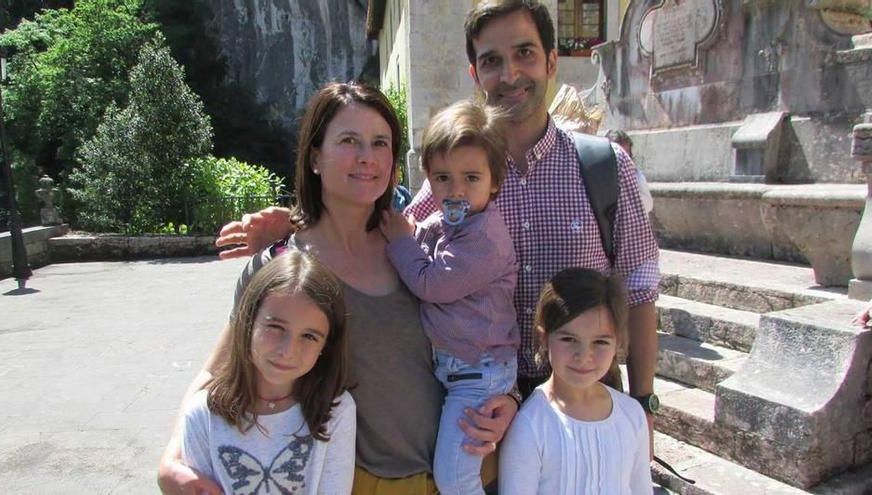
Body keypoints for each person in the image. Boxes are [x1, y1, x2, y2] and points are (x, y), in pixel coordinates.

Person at [218, 0, 658, 447]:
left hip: (583, 396)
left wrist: (643, 406)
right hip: (481, 401)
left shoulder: (606, 168)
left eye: (524, 53)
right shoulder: (451, 182)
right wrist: (297, 225)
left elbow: (640, 293)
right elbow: (384, 231)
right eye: (491, 61)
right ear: (475, 75)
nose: (509, 74)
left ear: (550, 61)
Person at [158, 81, 516, 495]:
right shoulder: (282, 266)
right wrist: (173, 458)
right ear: (315, 156)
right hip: (360, 483)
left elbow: (488, 325)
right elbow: (217, 371)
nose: (367, 157)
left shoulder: (418, 244)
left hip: (470, 468)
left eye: (380, 143)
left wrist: (509, 399)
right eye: (349, 140)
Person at [378, 100, 518, 495]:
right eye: (442, 178)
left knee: (455, 479)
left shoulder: (485, 239)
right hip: (461, 369)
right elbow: (422, 232)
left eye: (471, 178)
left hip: (479, 375)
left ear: (494, 182)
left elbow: (431, 283)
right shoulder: (451, 221)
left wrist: (402, 241)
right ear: (428, 179)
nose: (455, 190)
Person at [181, 250, 355, 494]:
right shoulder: (202, 414)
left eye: (309, 336)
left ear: (326, 345)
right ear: (248, 321)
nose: (288, 350)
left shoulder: (336, 410)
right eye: (275, 327)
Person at [499, 268, 652, 494]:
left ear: (617, 342)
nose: (583, 355)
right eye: (569, 339)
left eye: (600, 342)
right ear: (544, 338)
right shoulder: (530, 426)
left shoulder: (632, 415)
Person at [605, 129, 653, 214]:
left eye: (626, 154)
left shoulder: (636, 176)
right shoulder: (599, 176)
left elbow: (648, 205)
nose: (623, 159)